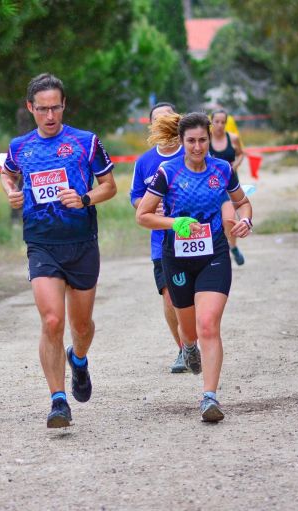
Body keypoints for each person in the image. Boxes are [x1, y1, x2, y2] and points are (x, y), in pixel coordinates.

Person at [0, 73, 117, 428]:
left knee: (81, 326)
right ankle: (58, 401)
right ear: (30, 108)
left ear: (64, 105)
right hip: (41, 243)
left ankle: (78, 359)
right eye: (42, 110)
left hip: (81, 242)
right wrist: (11, 191)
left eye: (55, 108)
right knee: (52, 321)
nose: (50, 116)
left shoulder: (86, 142)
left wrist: (84, 199)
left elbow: (109, 186)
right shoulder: (21, 147)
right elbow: (7, 173)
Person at [136, 112, 253, 422]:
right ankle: (187, 346)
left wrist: (245, 220)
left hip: (213, 253)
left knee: (208, 324)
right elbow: (143, 215)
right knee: (189, 330)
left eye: (203, 140)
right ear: (182, 141)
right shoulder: (167, 172)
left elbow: (242, 201)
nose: (198, 147)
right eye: (192, 141)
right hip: (176, 257)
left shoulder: (222, 169)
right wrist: (175, 223)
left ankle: (209, 397)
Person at [130, 102, 201, 375]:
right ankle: (184, 349)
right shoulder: (145, 162)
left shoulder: (193, 152)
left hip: (197, 238)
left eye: (169, 117)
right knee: (171, 298)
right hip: (162, 242)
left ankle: (198, 340)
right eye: (158, 120)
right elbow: (135, 197)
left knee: (197, 296)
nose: (164, 123)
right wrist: (146, 205)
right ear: (151, 126)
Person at [209, 110, 246, 265]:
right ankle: (213, 251)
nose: (219, 125)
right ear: (211, 122)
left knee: (230, 218)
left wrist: (234, 166)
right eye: (216, 121)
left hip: (229, 183)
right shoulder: (205, 139)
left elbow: (241, 154)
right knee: (211, 218)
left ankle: (233, 247)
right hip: (210, 184)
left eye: (222, 122)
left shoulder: (233, 138)